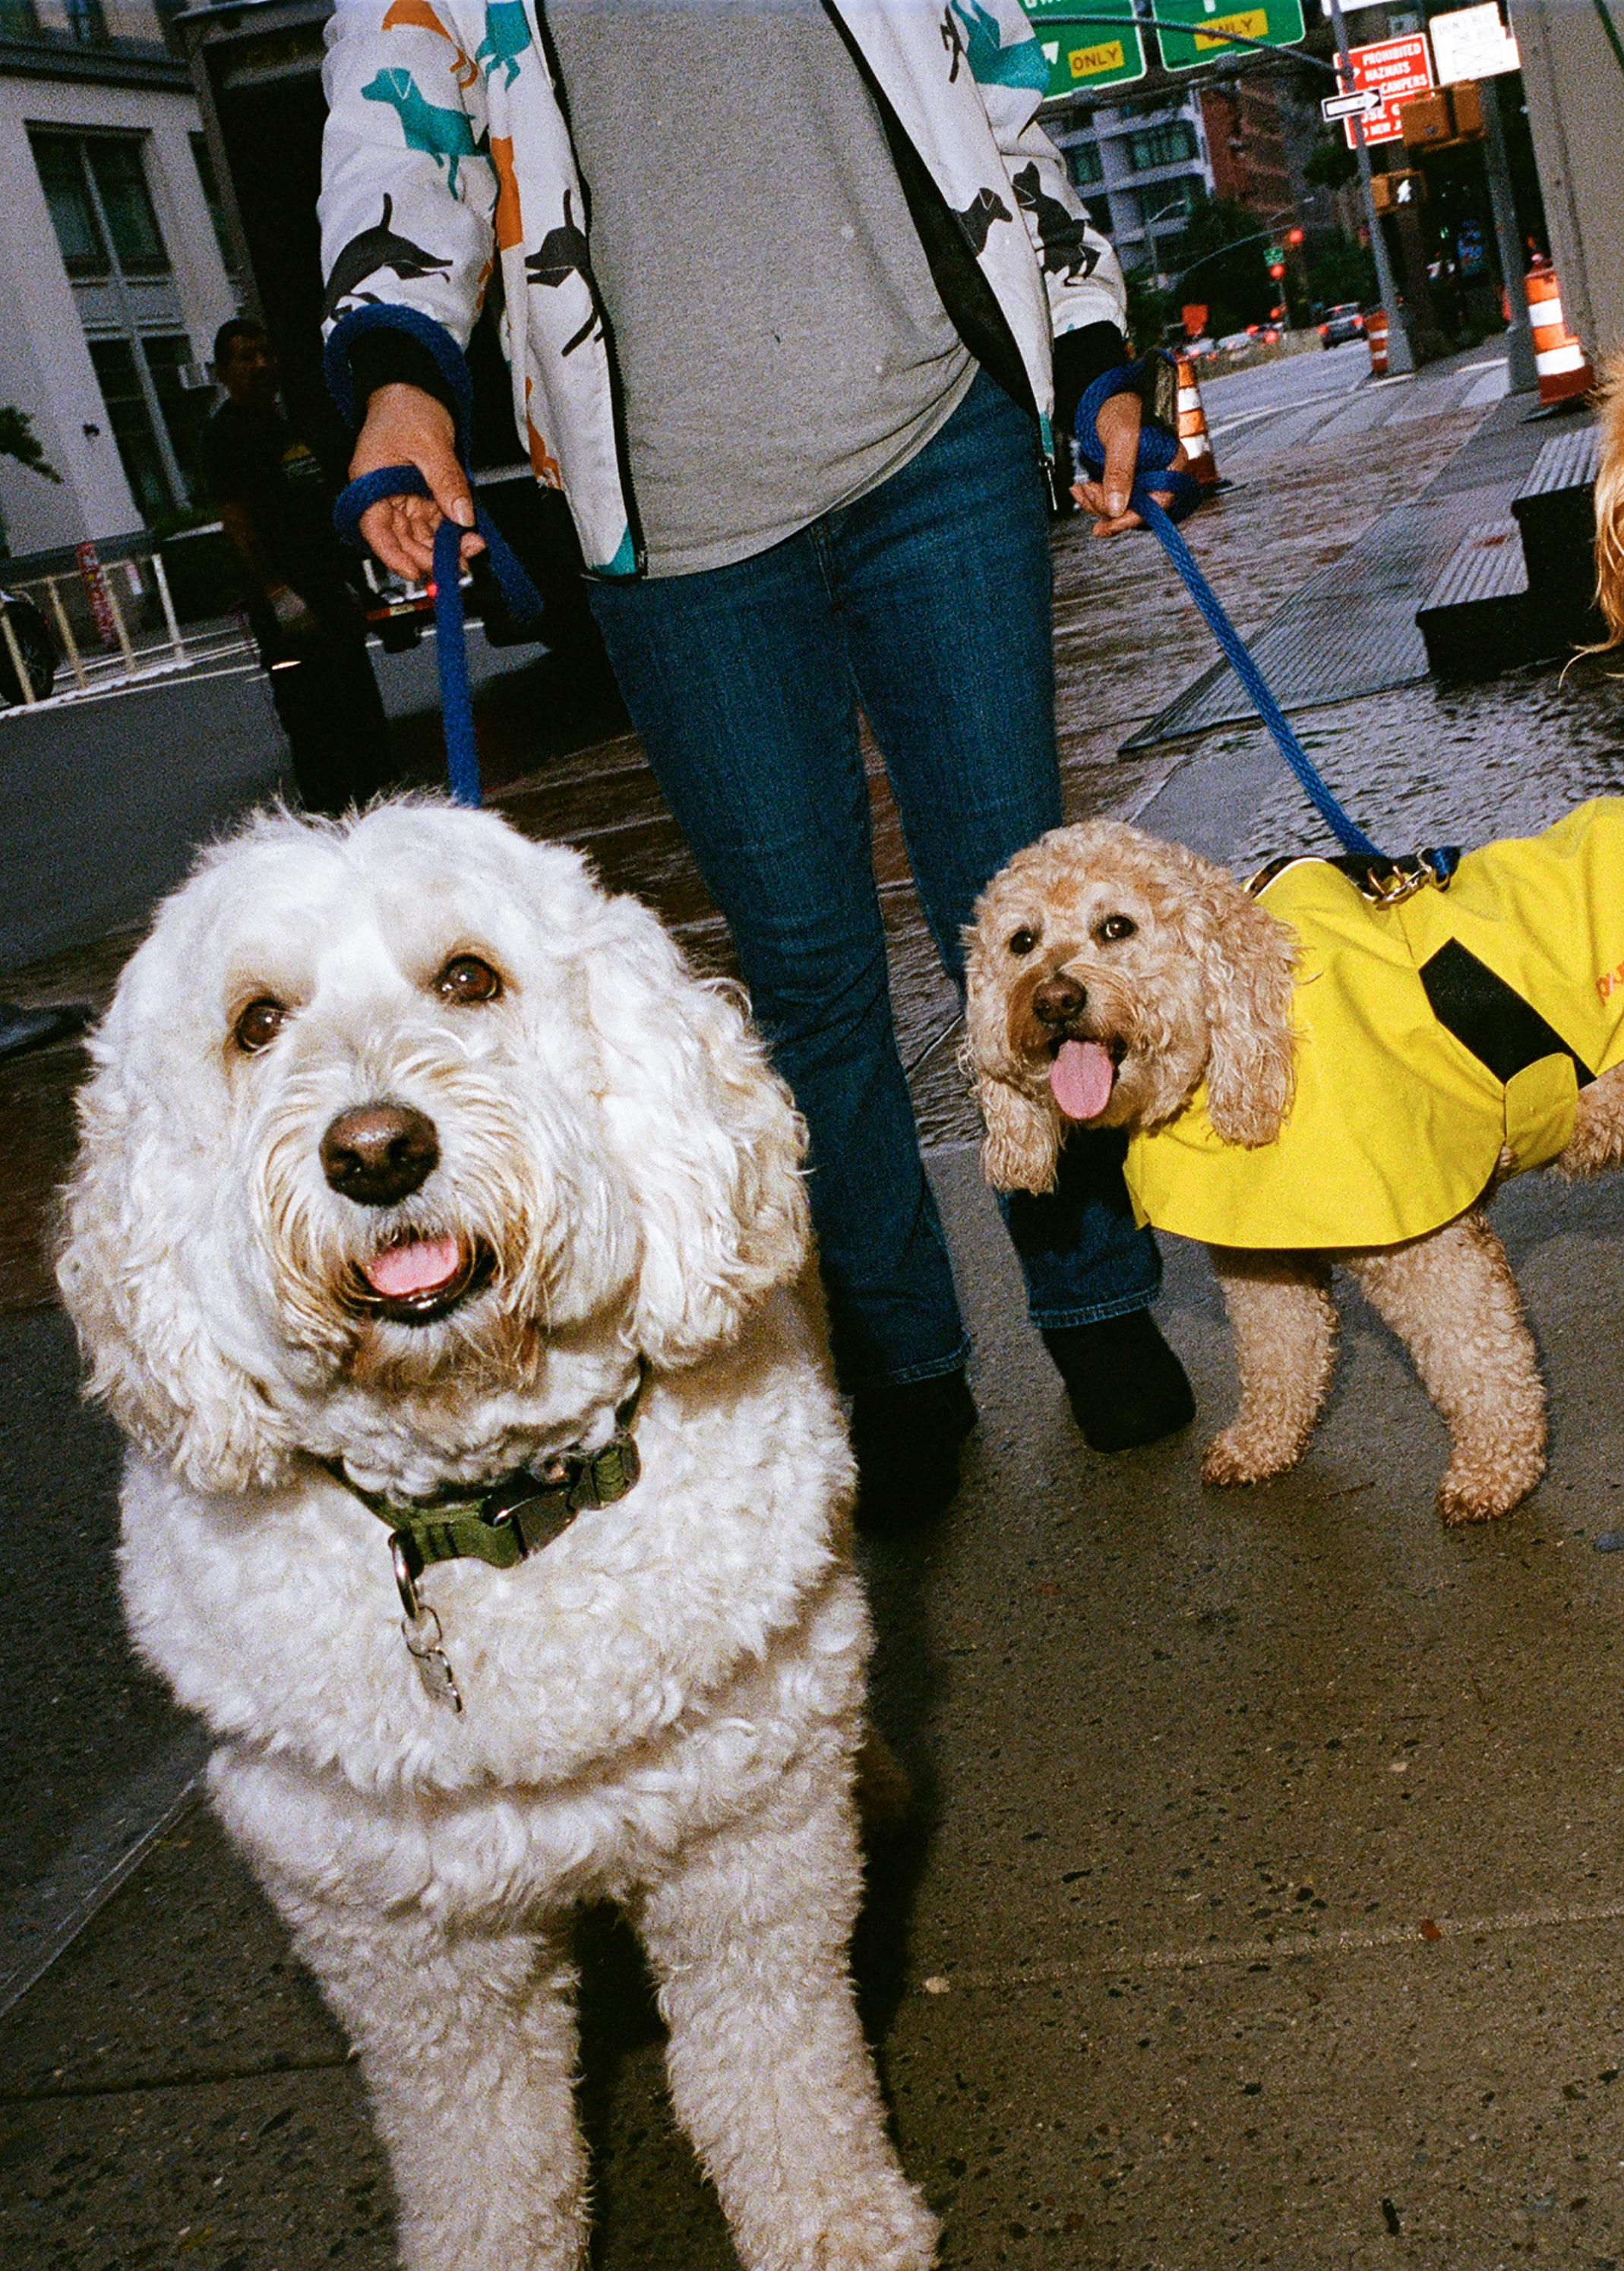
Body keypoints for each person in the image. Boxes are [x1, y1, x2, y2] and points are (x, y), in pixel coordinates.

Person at [318, 0, 1190, 1524]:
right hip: (674, 518)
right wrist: (399, 376)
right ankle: (903, 1356)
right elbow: (402, 111)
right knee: (802, 975)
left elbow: (989, 80)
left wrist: (1090, 337)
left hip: (937, 431)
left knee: (1023, 925)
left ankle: (1094, 1297)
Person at [203, 318, 396, 815]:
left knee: (361, 715)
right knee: (315, 728)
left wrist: (350, 583)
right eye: (246, 358)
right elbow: (237, 522)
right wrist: (277, 593)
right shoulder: (226, 437)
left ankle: (381, 816)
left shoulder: (286, 424)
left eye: (266, 353)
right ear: (224, 371)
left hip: (330, 596)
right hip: (287, 612)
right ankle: (332, 821)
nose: (262, 365)